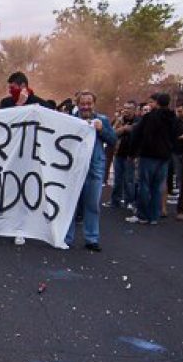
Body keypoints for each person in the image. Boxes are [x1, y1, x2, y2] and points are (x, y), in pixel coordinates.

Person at [65, 91, 117, 251]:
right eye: (83, 103)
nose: (86, 106)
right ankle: (66, 237)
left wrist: (102, 130)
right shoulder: (70, 120)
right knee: (70, 204)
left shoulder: (101, 120)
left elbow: (113, 140)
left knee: (92, 204)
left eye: (89, 103)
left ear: (94, 104)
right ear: (78, 104)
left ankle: (92, 238)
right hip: (73, 169)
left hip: (94, 167)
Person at [126, 93, 177, 225]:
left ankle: (142, 214)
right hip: (165, 156)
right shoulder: (173, 118)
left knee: (144, 185)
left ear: (157, 103)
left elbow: (138, 135)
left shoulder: (149, 117)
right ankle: (154, 216)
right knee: (157, 187)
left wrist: (132, 154)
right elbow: (175, 136)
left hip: (148, 155)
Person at [110, 101, 137, 210]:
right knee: (117, 179)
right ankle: (115, 201)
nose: (126, 110)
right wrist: (123, 128)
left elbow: (137, 132)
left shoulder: (138, 120)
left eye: (129, 108)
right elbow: (112, 133)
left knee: (129, 180)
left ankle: (129, 201)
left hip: (130, 153)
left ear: (134, 110)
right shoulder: (119, 120)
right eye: (125, 108)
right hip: (118, 152)